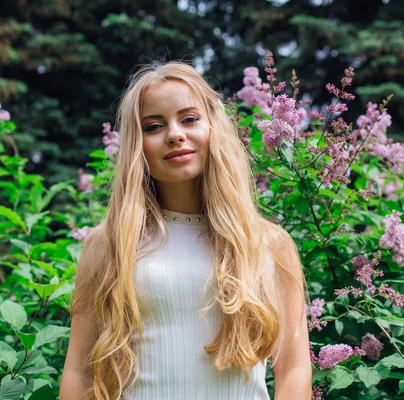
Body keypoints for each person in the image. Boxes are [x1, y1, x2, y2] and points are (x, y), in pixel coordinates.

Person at [59, 60, 312, 400]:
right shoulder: (109, 243)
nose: (175, 134)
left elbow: (293, 367)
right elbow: (79, 370)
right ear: (138, 145)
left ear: (214, 127)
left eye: (189, 119)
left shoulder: (268, 244)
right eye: (153, 126)